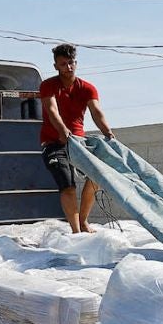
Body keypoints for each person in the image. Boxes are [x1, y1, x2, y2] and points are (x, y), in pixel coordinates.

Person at [39, 43, 115, 234]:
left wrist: (108, 132)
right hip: (53, 143)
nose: (68, 67)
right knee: (68, 186)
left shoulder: (87, 88)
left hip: (78, 143)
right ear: (56, 66)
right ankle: (76, 231)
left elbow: (97, 112)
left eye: (71, 63)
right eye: (63, 64)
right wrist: (63, 130)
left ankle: (83, 221)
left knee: (97, 175)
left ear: (76, 63)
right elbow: (52, 110)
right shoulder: (48, 86)